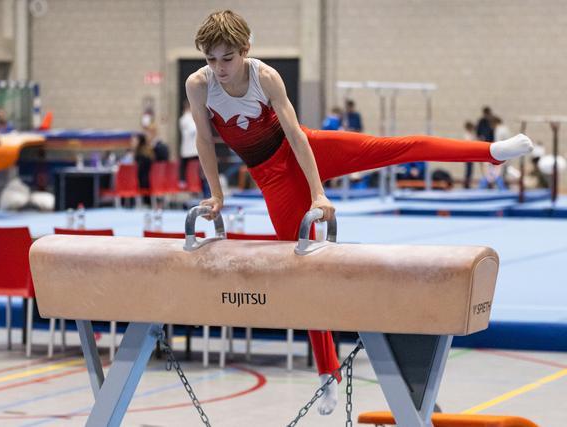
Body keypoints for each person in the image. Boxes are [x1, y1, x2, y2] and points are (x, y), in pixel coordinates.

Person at [186, 10, 533, 415]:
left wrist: (318, 193)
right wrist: (216, 195)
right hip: (272, 178)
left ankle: (489, 153)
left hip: (308, 152)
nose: (219, 68)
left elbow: (297, 137)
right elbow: (205, 141)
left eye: (226, 59)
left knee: (395, 147)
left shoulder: (265, 78)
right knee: (303, 274)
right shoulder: (199, 85)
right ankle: (326, 372)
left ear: (245, 50)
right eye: (211, 59)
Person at [179, 99, 200, 182]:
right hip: (190, 150)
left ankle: (195, 183)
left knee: (195, 170)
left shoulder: (190, 118)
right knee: (189, 170)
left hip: (193, 149)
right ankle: (184, 182)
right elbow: (194, 129)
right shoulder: (186, 118)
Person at [463, 121, 476, 188]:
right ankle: (466, 185)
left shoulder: (471, 134)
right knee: (468, 170)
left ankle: (467, 184)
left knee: (470, 170)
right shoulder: (467, 135)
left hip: (471, 154)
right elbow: (468, 144)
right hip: (468, 154)